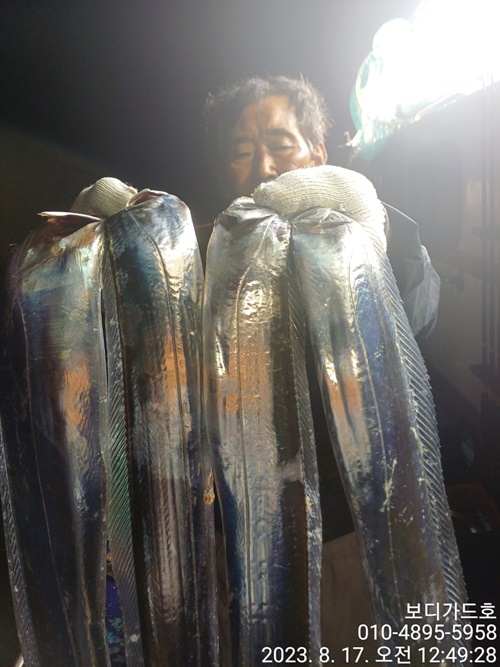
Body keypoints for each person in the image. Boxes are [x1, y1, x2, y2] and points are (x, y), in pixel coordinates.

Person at [203, 74, 441, 664]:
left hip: (362, 538)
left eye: (281, 144)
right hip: (249, 549)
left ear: (317, 154)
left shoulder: (361, 237)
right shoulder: (213, 261)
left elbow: (418, 315)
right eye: (240, 151)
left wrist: (378, 234)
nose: (262, 167)